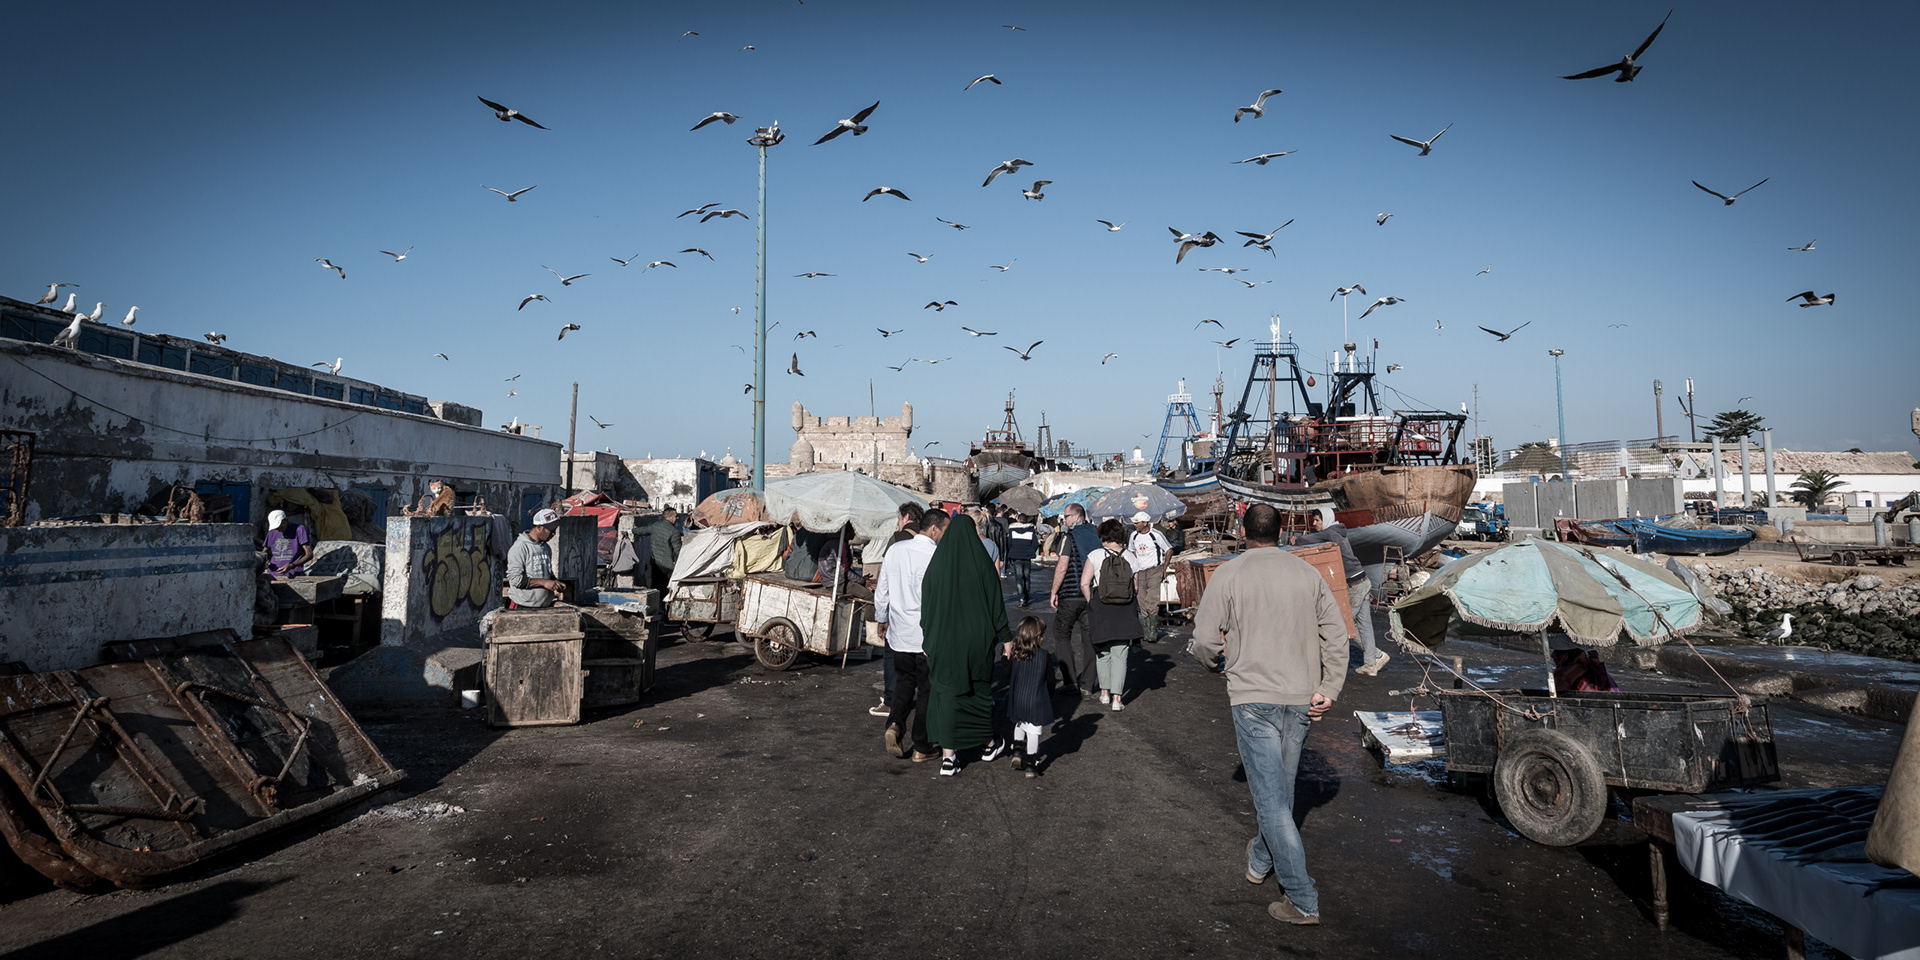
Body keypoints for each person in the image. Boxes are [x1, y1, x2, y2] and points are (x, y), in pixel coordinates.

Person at [1191, 503, 1348, 927]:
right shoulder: (1307, 574)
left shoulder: (1229, 572)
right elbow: (1336, 635)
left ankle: (1301, 897)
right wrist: (1329, 687)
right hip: (1299, 695)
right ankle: (1260, 860)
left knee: (1273, 800)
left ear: (1244, 532)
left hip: (1251, 696)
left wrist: (1216, 665)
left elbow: (1205, 640)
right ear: (1280, 532)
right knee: (1281, 792)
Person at [921, 513, 1013, 776]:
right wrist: (1006, 637)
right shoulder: (983, 564)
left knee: (947, 694)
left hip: (942, 641)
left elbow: (926, 609)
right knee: (977, 691)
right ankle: (988, 743)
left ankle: (948, 758)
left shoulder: (936, 567)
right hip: (976, 640)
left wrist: (928, 638)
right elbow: (996, 605)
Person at [876, 509, 946, 762]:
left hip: (899, 632)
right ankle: (922, 746)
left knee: (905, 682)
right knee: (927, 690)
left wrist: (881, 618)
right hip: (926, 636)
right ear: (934, 529)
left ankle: (895, 724)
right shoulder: (937, 555)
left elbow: (882, 589)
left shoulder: (895, 550)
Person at [1299, 510, 1386, 676]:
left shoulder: (1331, 533)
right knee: (1364, 625)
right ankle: (1372, 662)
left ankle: (1372, 657)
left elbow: (1308, 539)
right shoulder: (1337, 531)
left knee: (1343, 626)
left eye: (1317, 520)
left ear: (1327, 519)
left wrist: (1298, 539)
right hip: (1362, 579)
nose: (1314, 523)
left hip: (1355, 584)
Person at [868, 502, 928, 717]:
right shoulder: (928, 543)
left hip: (898, 613)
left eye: (899, 518)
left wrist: (881, 616)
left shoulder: (897, 540)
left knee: (893, 659)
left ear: (905, 516)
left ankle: (891, 703)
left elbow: (884, 584)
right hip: (922, 616)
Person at [1079, 518, 1143, 710]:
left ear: (1103, 536)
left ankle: (1105, 693)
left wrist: (1092, 601)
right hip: (1124, 609)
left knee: (1102, 652)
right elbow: (1136, 587)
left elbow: (1084, 583)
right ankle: (1117, 699)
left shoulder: (1095, 555)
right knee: (1120, 654)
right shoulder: (1131, 557)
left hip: (1101, 606)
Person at [1047, 502, 1101, 697]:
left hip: (1070, 594)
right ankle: (1087, 684)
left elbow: (1062, 566)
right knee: (1089, 639)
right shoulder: (1096, 535)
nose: (1064, 520)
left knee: (1061, 634)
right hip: (1090, 594)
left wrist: (1054, 591)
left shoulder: (1069, 538)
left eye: (1066, 517)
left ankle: (1070, 681)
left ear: (1077, 516)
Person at [1003, 616, 1055, 776]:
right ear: (1037, 638)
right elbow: (1050, 681)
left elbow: (1007, 674)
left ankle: (1017, 752)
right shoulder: (1044, 655)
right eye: (1041, 635)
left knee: (1020, 723)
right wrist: (1049, 696)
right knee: (1033, 732)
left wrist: (1005, 655)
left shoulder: (1016, 654)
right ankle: (1031, 764)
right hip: (1037, 700)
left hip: (1018, 698)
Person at [1125, 511, 1173, 642]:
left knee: (1152, 600)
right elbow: (1132, 551)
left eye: (1137, 522)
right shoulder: (1134, 536)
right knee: (1141, 601)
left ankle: (1153, 631)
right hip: (1140, 571)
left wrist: (1164, 567)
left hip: (1154, 570)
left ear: (1145, 523)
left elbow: (1169, 549)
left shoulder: (1156, 535)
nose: (1135, 525)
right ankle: (1148, 628)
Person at [506, 509, 569, 609]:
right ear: (539, 527)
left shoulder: (546, 548)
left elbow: (547, 573)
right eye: (551, 530)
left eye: (555, 530)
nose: (554, 534)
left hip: (544, 606)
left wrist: (555, 582)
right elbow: (515, 580)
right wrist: (544, 583)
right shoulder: (520, 548)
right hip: (522, 607)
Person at [263, 510, 314, 579]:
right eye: (277, 528)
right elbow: (264, 551)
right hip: (272, 573)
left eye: (281, 527)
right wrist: (263, 560)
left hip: (292, 574)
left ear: (286, 520)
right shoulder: (272, 532)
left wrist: (292, 565)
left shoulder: (299, 530)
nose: (279, 530)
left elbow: (309, 554)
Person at [644, 508, 683, 592]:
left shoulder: (655, 527)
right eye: (676, 516)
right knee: (667, 589)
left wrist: (631, 530)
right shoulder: (674, 532)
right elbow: (678, 551)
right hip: (668, 566)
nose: (677, 518)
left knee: (655, 588)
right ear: (669, 517)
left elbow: (642, 530)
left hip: (655, 564)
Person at [1004, 511, 1038, 606]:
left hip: (1016, 556)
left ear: (1018, 520)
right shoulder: (1031, 530)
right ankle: (1027, 596)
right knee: (1026, 578)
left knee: (1018, 579)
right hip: (1027, 556)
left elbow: (1009, 543)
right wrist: (1031, 551)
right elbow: (1035, 544)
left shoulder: (1012, 530)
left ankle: (1021, 599)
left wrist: (1012, 551)